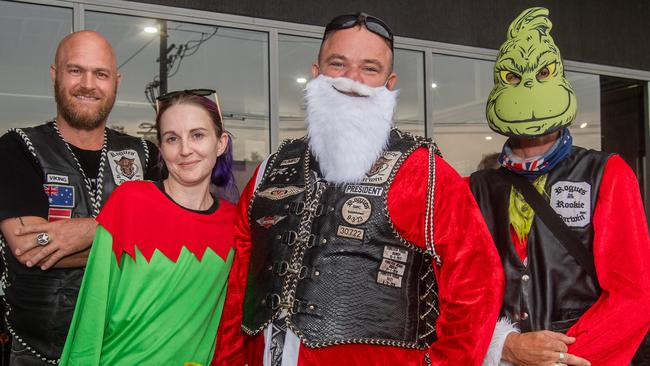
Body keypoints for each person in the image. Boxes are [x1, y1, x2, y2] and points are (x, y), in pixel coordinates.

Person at [214, 12, 504, 366]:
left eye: (370, 68)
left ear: (388, 82)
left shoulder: (422, 172)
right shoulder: (270, 170)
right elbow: (238, 285)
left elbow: (478, 283)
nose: (353, 80)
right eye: (339, 63)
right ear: (317, 72)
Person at [470, 8, 650, 366]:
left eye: (542, 73)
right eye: (514, 77)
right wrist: (504, 346)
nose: (529, 90)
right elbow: (456, 287)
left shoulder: (605, 173)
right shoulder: (474, 188)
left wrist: (562, 356)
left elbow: (634, 293)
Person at [0, 30, 159, 365]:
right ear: (55, 75)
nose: (89, 84)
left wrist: (86, 231)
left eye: (100, 74)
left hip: (130, 351)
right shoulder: (17, 148)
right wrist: (130, 238)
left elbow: (166, 245)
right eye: (76, 70)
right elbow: (31, 248)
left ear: (116, 82)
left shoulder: (145, 155)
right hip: (38, 354)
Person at [59, 89, 236, 365]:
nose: (185, 149)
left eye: (198, 135)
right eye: (172, 139)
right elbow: (92, 309)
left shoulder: (235, 224)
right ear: (162, 149)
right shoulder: (130, 202)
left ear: (221, 143)